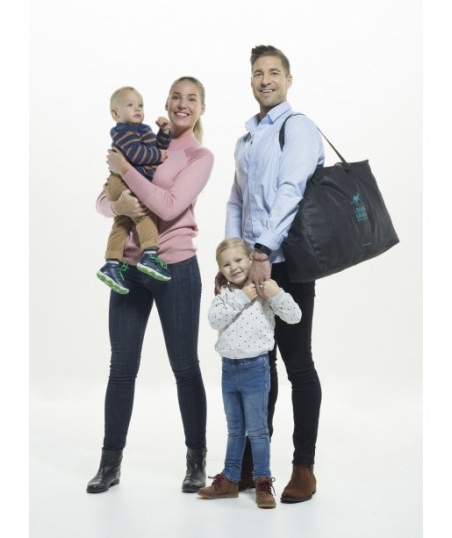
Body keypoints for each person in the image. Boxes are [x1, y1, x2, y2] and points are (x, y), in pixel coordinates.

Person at [87, 76, 214, 494]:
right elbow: (104, 198)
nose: (182, 104)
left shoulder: (199, 156)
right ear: (167, 102)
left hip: (175, 267)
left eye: (191, 99)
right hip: (128, 268)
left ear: (201, 108)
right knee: (121, 368)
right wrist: (116, 204)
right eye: (176, 97)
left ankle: (196, 460)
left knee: (185, 367)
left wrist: (125, 170)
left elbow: (169, 206)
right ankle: (109, 464)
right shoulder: (140, 138)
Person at [224, 45, 325, 504]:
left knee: (297, 363)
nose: (265, 80)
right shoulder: (246, 140)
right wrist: (235, 257)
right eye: (258, 73)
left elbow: (291, 189)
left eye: (273, 72)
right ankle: (251, 464)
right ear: (250, 80)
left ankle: (304, 467)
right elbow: (236, 200)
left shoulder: (297, 127)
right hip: (251, 265)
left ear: (288, 79)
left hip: (288, 262)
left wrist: (264, 248)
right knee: (257, 366)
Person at [198, 238, 301, 509]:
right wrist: (242, 297)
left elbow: (295, 316)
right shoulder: (225, 295)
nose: (234, 267)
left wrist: (276, 293)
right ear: (220, 269)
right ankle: (230, 479)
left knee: (257, 430)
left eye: (239, 260)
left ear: (250, 260)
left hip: (256, 369)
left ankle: (262, 481)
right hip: (228, 370)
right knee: (235, 429)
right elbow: (214, 320)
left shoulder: (264, 290)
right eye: (226, 264)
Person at [97, 86, 172, 294]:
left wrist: (164, 133)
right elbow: (137, 155)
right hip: (119, 181)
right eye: (130, 105)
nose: (137, 109)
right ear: (115, 113)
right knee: (142, 212)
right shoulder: (123, 132)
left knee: (122, 222)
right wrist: (159, 156)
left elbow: (156, 147)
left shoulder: (144, 129)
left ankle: (111, 264)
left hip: (128, 181)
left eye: (140, 105)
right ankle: (149, 254)